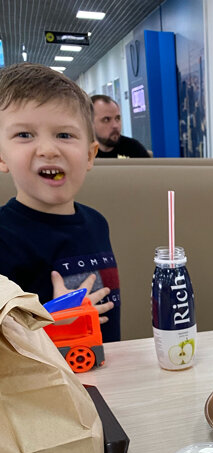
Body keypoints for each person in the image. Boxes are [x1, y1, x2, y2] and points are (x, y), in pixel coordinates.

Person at [0, 63, 120, 342]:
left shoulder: (97, 223)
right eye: (24, 135)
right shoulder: (4, 236)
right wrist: (52, 320)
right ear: (2, 157)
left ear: (89, 155)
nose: (48, 150)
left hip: (111, 364)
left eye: (64, 135)